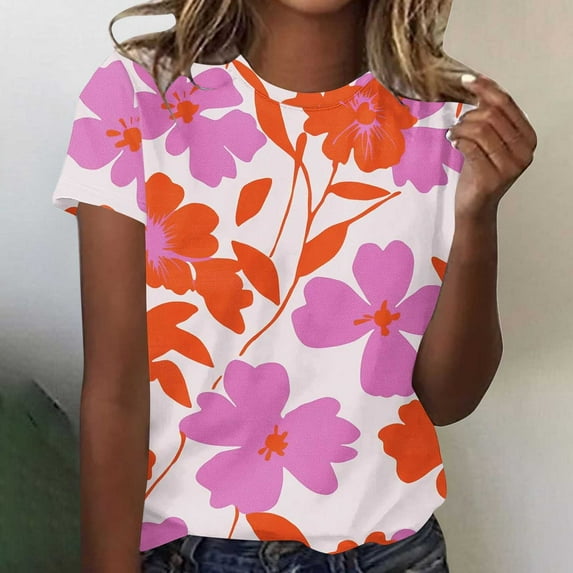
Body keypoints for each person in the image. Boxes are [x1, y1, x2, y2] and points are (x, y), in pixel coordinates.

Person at [51, 0, 537, 571]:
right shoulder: (136, 97)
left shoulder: (452, 124)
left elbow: (449, 399)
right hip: (190, 551)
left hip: (391, 553)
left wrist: (479, 215)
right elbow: (114, 395)